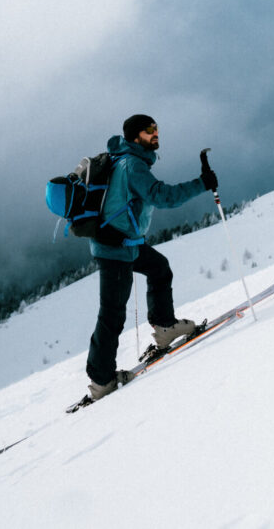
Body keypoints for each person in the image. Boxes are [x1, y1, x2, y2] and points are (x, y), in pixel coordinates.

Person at [83, 113, 219, 403]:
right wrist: (202, 183)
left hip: (126, 244)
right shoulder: (132, 165)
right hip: (116, 250)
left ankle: (165, 328)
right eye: (149, 130)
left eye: (157, 128)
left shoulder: (125, 158)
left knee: (159, 269)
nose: (156, 133)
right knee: (112, 315)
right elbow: (163, 196)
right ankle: (101, 381)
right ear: (135, 137)